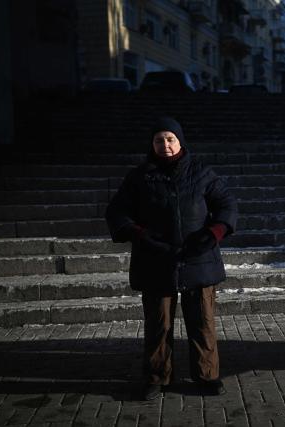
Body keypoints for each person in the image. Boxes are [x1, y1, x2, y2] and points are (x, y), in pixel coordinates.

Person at [105, 117, 238, 399]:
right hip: (156, 259)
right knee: (159, 324)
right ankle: (157, 377)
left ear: (179, 141)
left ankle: (207, 376)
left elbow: (226, 203)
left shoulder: (202, 172)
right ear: (151, 144)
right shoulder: (139, 177)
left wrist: (214, 231)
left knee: (202, 321)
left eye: (170, 139)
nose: (164, 144)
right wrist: (138, 233)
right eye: (158, 140)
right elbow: (117, 211)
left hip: (198, 258)